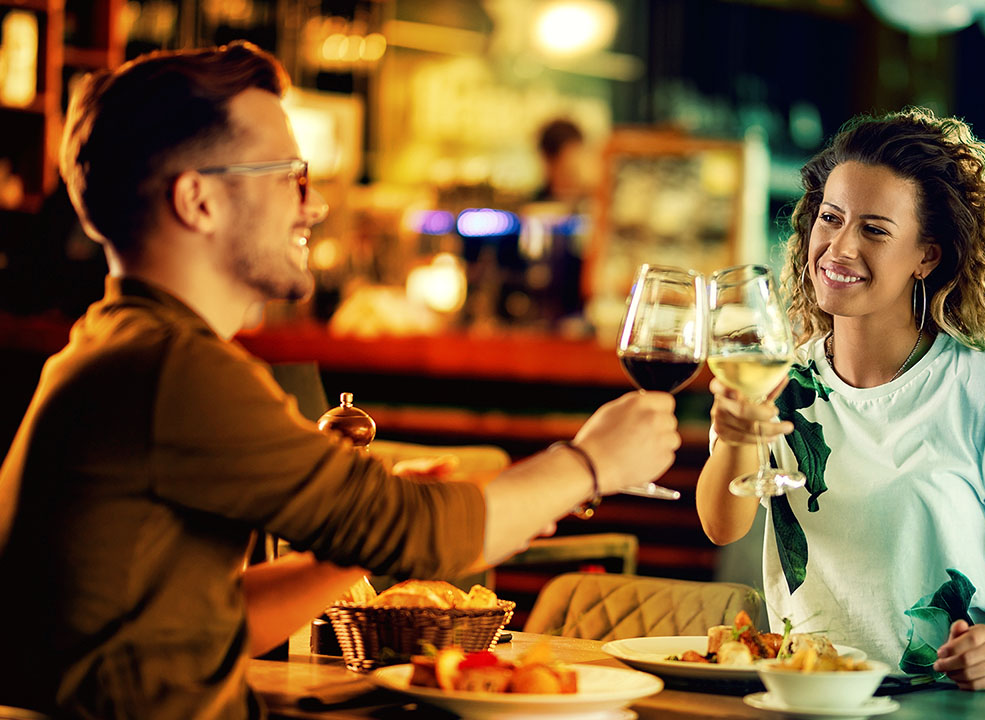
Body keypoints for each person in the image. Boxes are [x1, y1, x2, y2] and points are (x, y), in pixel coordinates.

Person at [0, 41, 680, 718]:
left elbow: (205, 628)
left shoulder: (125, 347)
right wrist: (594, 462)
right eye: (289, 177)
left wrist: (353, 546)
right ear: (198, 200)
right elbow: (416, 534)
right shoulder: (174, 370)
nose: (316, 205)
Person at [696, 107, 985, 692]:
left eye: (874, 230)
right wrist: (737, 442)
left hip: (971, 706)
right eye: (830, 218)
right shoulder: (776, 380)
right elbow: (722, 526)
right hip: (821, 696)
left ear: (928, 255)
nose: (839, 248)